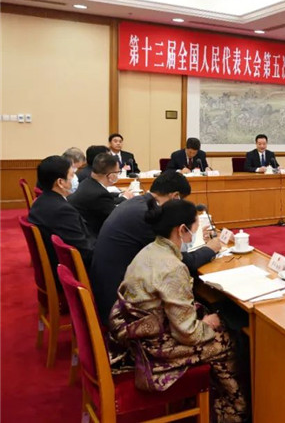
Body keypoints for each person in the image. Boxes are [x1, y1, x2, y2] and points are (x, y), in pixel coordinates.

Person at [108, 199, 247, 422]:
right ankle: (232, 411)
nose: (193, 235)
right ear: (181, 230)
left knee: (207, 313)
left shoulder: (149, 250)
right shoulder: (172, 268)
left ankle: (211, 399)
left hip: (136, 330)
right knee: (226, 339)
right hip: (151, 347)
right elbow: (188, 333)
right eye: (193, 229)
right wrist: (207, 324)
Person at [90, 171, 220, 323]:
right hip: (120, 306)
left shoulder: (139, 203)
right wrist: (209, 249)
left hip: (112, 286)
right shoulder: (147, 216)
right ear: (175, 197)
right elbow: (177, 260)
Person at [28, 155, 96, 270]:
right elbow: (84, 252)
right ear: (60, 182)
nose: (74, 179)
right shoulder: (62, 211)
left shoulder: (40, 201)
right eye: (71, 175)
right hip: (72, 270)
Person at [68, 153, 134, 236]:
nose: (118, 175)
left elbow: (106, 199)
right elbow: (117, 218)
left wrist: (121, 196)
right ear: (111, 175)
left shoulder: (87, 182)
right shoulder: (99, 194)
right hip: (94, 236)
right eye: (118, 172)